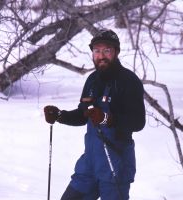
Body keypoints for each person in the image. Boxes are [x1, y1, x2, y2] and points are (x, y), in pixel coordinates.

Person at [44, 29, 146, 200]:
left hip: (116, 163)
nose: (101, 55)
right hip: (89, 164)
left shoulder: (129, 81)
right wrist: (60, 115)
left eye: (107, 50)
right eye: (97, 51)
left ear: (116, 52)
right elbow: (83, 115)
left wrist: (107, 119)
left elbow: (138, 122)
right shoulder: (92, 80)